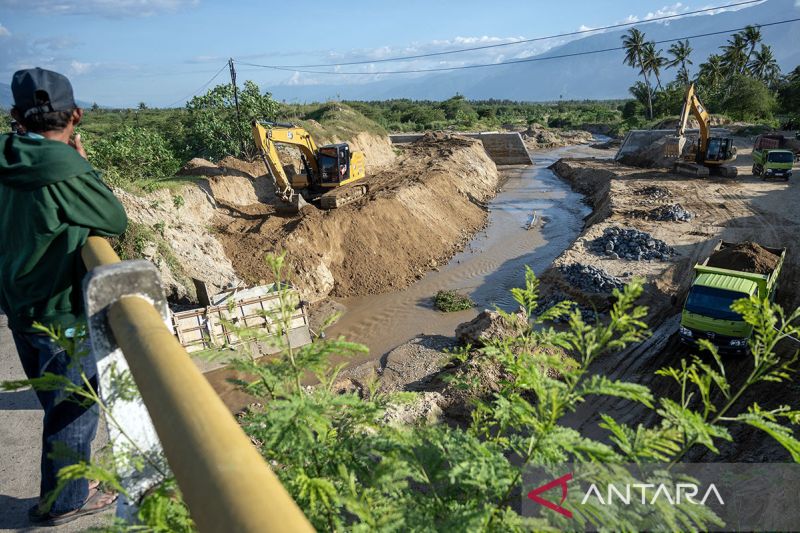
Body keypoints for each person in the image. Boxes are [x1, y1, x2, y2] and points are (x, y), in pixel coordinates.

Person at [0, 68, 128, 526]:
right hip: (60, 312)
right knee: (75, 407)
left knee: (54, 398)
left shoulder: (6, 154)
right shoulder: (65, 169)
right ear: (76, 114)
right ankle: (66, 501)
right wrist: (83, 163)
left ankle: (69, 486)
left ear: (15, 116)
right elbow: (113, 220)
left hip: (17, 304)